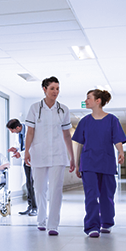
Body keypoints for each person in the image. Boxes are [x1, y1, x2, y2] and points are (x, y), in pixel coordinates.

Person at [23, 77, 75, 236]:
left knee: (56, 190)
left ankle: (53, 225)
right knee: (39, 189)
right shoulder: (34, 108)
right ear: (44, 89)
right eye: (52, 88)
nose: (55, 92)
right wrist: (26, 151)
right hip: (38, 154)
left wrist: (71, 156)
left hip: (58, 154)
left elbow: (67, 135)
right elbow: (30, 132)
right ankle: (41, 219)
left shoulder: (63, 109)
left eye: (58, 88)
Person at [72, 89, 126, 238]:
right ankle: (92, 226)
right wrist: (77, 164)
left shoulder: (112, 120)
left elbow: (117, 139)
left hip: (106, 161)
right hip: (88, 163)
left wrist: (121, 152)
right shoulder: (84, 121)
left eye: (88, 98)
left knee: (106, 195)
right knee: (91, 195)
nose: (86, 101)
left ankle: (107, 222)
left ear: (98, 101)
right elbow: (80, 144)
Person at [7, 119, 37, 216]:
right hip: (26, 160)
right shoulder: (19, 133)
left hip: (34, 159)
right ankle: (30, 206)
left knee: (33, 184)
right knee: (28, 183)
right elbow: (22, 145)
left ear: (18, 127)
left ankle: (35, 208)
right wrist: (15, 149)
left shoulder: (31, 130)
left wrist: (20, 153)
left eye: (12, 130)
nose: (12, 132)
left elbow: (33, 147)